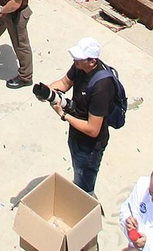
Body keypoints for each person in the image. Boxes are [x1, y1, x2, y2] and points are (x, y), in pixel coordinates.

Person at [44, 37, 119, 195]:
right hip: (76, 133)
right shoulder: (80, 65)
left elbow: (93, 129)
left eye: (79, 58)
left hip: (90, 147)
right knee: (78, 172)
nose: (75, 60)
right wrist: (48, 92)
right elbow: (65, 83)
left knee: (84, 187)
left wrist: (64, 115)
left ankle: (86, 205)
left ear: (92, 61)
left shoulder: (102, 88)